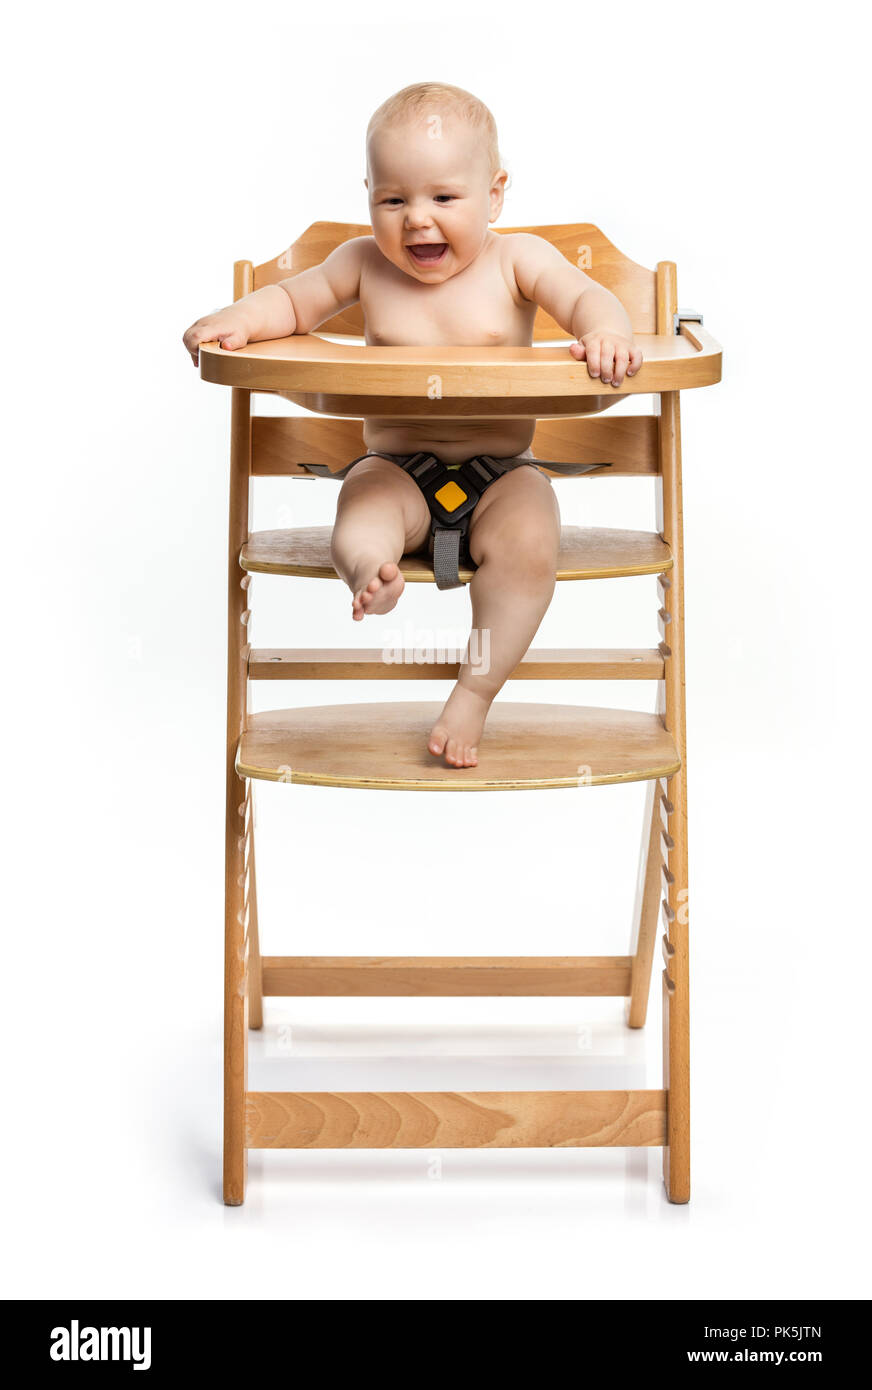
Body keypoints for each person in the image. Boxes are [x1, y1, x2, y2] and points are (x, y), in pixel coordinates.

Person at [183, 82, 642, 769]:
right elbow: (292, 301)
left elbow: (583, 295)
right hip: (394, 470)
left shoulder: (519, 260)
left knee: (531, 546)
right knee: (357, 516)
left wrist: (605, 331)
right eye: (393, 200)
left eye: (443, 198)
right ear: (367, 193)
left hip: (502, 476)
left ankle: (476, 690)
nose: (416, 220)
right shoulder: (362, 265)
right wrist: (237, 321)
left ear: (496, 193)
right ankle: (374, 570)